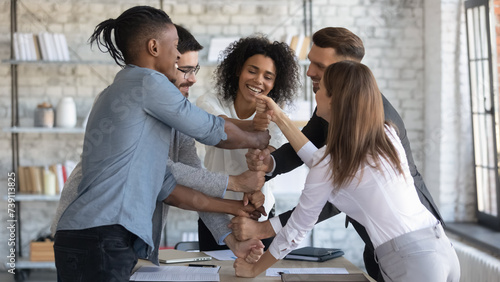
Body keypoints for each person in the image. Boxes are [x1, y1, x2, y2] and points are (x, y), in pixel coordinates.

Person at [53, 7, 269, 282]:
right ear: (154, 47)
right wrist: (259, 138)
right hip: (101, 235)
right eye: (179, 55)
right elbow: (210, 130)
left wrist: (233, 221)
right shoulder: (146, 83)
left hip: (94, 237)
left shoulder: (135, 96)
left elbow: (172, 188)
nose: (183, 65)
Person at [234, 27, 444, 281]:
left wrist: (264, 234)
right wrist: (270, 162)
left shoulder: (380, 120)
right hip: (429, 247)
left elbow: (327, 194)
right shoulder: (375, 125)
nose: (310, 72)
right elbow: (317, 154)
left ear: (344, 75)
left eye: (320, 66)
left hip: (408, 251)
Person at [196, 35, 300, 251]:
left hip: (258, 212)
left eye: (268, 76)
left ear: (275, 83)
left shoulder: (277, 114)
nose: (258, 81)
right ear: (237, 70)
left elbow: (268, 160)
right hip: (214, 213)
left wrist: (256, 186)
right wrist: (253, 126)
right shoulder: (210, 101)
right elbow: (218, 127)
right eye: (252, 71)